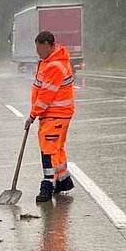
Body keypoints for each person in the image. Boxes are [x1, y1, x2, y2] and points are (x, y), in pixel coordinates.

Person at [24, 31, 76, 203]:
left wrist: (32, 115)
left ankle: (47, 185)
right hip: (53, 114)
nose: (38, 52)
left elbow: (46, 95)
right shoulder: (47, 62)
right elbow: (39, 88)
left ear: (49, 45)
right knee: (57, 148)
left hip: (56, 114)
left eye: (40, 48)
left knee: (48, 150)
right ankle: (63, 180)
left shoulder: (54, 66)